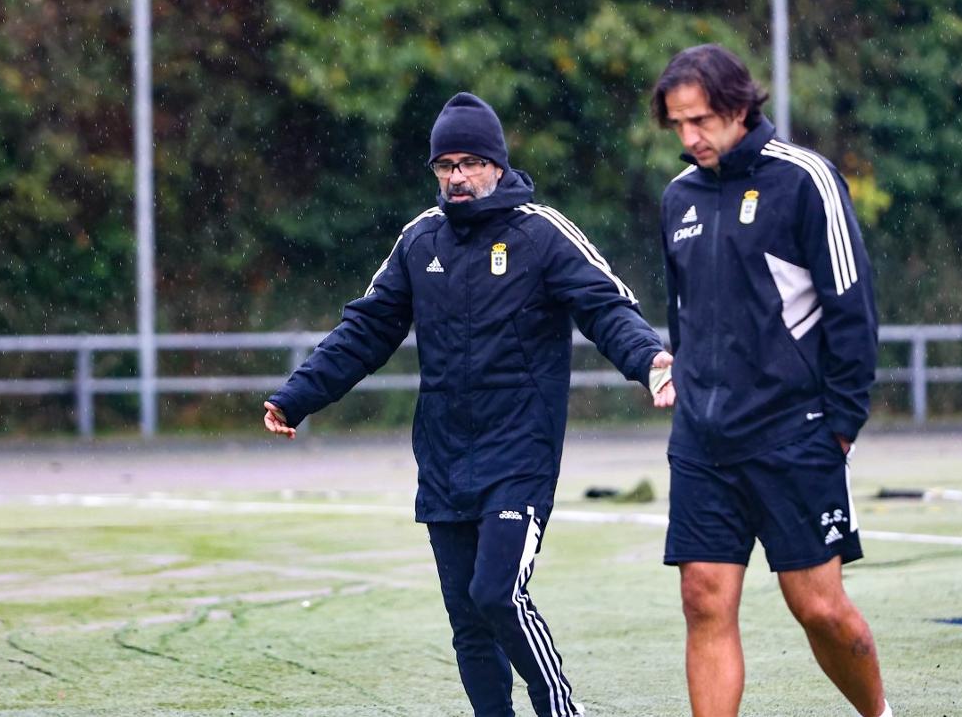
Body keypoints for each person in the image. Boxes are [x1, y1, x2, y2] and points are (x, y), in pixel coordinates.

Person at [262, 92, 673, 717]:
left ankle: (559, 708)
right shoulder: (418, 241)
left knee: (497, 594)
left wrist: (649, 361)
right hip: (444, 457)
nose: (456, 176)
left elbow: (605, 307)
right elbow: (366, 329)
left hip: (520, 455)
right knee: (467, 619)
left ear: (498, 166)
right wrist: (298, 397)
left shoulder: (542, 233)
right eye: (445, 165)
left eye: (470, 163)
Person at [649, 44, 890, 717]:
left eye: (699, 120)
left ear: (737, 107)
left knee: (817, 607)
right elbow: (685, 312)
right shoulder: (678, 199)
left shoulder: (805, 180)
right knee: (703, 597)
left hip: (794, 437)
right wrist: (686, 377)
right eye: (677, 125)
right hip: (702, 443)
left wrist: (839, 429)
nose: (689, 137)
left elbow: (853, 311)